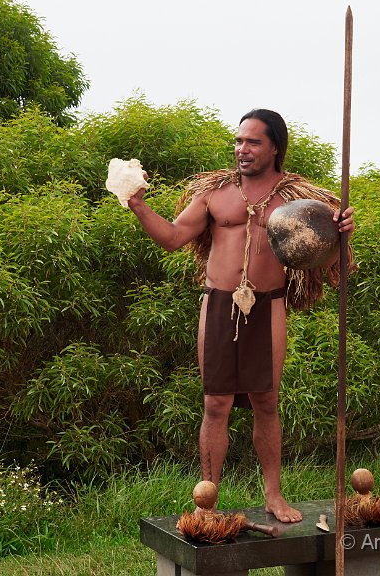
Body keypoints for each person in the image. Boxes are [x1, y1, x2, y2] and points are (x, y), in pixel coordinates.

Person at [127, 109, 355, 523]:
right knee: (216, 403)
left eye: (252, 142)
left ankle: (273, 496)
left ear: (275, 148)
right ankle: (207, 502)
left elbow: (328, 260)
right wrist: (138, 206)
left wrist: (342, 233)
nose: (241, 149)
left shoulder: (298, 200)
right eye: (238, 141)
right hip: (218, 303)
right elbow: (174, 238)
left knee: (266, 401)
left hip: (267, 306)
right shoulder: (215, 193)